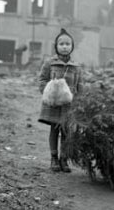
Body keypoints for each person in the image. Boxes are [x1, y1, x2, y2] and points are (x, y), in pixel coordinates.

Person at [38, 28, 83, 173]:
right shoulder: (50, 63)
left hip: (69, 105)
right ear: (56, 46)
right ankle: (54, 158)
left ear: (72, 47)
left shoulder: (76, 67)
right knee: (54, 129)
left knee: (66, 131)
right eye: (61, 44)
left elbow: (80, 85)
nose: (65, 46)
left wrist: (80, 100)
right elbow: (42, 79)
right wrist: (48, 91)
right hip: (54, 103)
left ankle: (64, 159)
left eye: (68, 44)